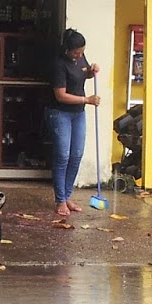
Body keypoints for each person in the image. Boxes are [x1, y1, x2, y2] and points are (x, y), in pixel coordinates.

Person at [48, 28, 101, 216]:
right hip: (60, 113)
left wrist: (92, 71)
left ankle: (67, 195)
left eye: (82, 52)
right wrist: (87, 100)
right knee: (63, 155)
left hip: (78, 113)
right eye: (76, 53)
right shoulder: (59, 64)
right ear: (67, 50)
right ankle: (60, 200)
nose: (79, 56)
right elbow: (60, 95)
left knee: (76, 154)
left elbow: (82, 73)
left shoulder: (80, 57)